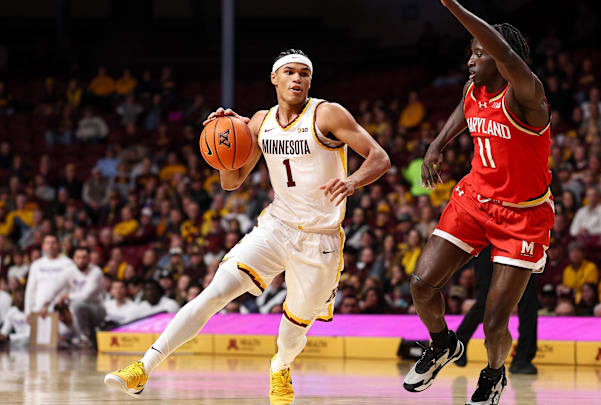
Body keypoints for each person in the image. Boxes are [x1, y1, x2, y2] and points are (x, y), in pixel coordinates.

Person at [104, 49, 390, 405]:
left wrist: (352, 181)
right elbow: (231, 181)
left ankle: (280, 367)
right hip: (277, 226)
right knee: (214, 292)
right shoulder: (259, 122)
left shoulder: (327, 113)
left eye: (304, 73)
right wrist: (226, 139)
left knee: (294, 328)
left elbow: (380, 156)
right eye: (289, 72)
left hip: (320, 239)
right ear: (275, 78)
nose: (297, 79)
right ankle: (143, 367)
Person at [403, 2, 555, 404]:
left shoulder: (528, 96)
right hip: (474, 201)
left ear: (502, 56)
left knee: (493, 321)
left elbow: (504, 53)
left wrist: (452, 4)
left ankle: (493, 374)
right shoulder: (474, 88)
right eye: (470, 52)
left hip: (522, 217)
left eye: (478, 53)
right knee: (421, 286)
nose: (471, 60)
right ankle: (442, 345)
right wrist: (437, 144)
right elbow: (464, 109)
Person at [454, 248, 540, 374]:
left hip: (522, 245)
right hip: (492, 244)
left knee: (529, 303)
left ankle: (523, 359)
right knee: (486, 301)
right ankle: (459, 342)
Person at [59, 246, 105, 347]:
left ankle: (84, 338)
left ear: (89, 258)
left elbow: (86, 296)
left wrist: (67, 296)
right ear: (73, 259)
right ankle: (71, 336)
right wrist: (46, 303)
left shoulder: (96, 271)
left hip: (97, 310)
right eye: (78, 257)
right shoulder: (69, 271)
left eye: (84, 257)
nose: (81, 260)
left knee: (78, 305)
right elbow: (55, 288)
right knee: (61, 307)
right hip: (76, 308)